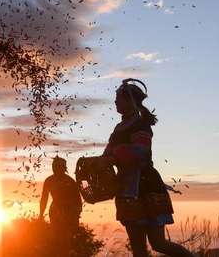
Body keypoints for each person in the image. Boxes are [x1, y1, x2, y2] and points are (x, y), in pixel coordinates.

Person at [102, 79, 193, 257]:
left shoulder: (140, 125)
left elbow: (141, 152)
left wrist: (114, 155)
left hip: (147, 185)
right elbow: (108, 154)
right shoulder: (119, 128)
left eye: (118, 98)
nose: (115, 102)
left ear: (129, 101)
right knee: (138, 249)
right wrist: (101, 161)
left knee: (158, 243)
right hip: (127, 189)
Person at [39, 156, 82, 255]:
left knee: (66, 239)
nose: (56, 169)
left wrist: (76, 213)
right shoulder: (49, 180)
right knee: (57, 238)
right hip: (55, 212)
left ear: (63, 168)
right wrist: (41, 214)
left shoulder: (70, 181)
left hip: (69, 212)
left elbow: (77, 199)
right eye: (55, 167)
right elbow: (44, 199)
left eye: (59, 167)